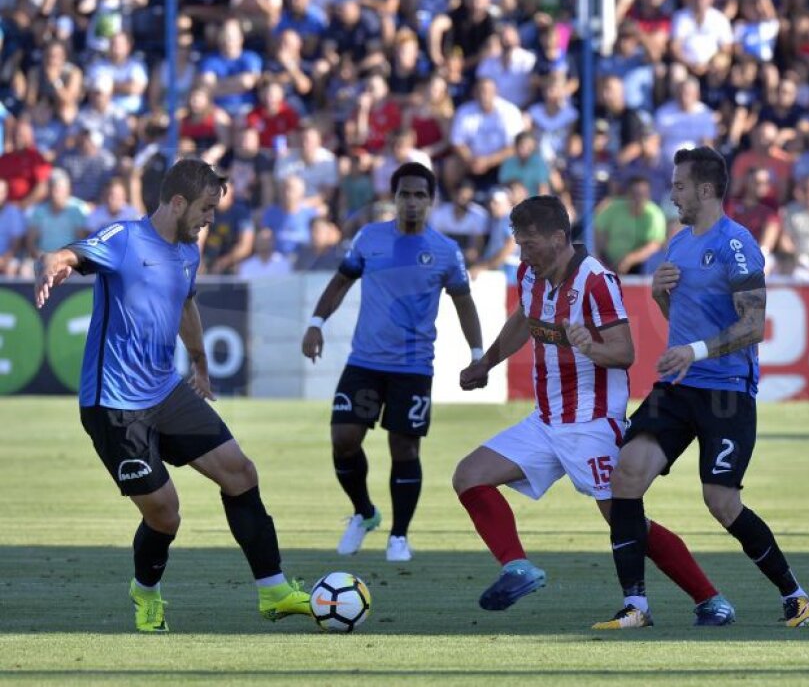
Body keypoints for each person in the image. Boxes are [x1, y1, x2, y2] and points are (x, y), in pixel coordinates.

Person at [33, 159, 311, 632]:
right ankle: (145, 593)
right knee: (166, 516)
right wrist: (53, 264)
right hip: (115, 405)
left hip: (165, 389)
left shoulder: (188, 251)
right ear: (177, 202)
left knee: (240, 472)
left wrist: (199, 361)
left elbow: (184, 304)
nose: (210, 219)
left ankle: (275, 591)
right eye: (206, 208)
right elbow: (65, 255)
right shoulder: (124, 239)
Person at [454, 195, 735, 626]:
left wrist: (589, 345)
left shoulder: (596, 280)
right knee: (469, 475)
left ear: (559, 238)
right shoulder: (531, 272)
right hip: (546, 420)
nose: (523, 253)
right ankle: (517, 567)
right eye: (519, 243)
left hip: (592, 424)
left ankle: (710, 599)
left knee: (626, 521)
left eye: (530, 243)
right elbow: (523, 319)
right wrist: (486, 362)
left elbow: (625, 352)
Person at [596, 146, 809, 630]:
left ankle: (795, 595)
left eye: (678, 186)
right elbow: (684, 323)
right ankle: (637, 606)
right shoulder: (677, 244)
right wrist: (659, 296)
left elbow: (754, 325)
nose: (671, 193)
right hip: (678, 387)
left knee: (721, 502)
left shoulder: (737, 244)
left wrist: (694, 351)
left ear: (703, 189)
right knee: (625, 476)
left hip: (727, 390)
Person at [302, 162, 484, 562]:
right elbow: (341, 281)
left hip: (413, 367)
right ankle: (364, 513)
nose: (412, 202)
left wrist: (477, 356)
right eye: (405, 194)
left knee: (404, 448)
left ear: (432, 201)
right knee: (343, 439)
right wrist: (316, 322)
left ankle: (399, 535)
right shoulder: (370, 238)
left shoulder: (445, 251)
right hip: (365, 362)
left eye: (421, 195)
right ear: (394, 198)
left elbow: (464, 304)